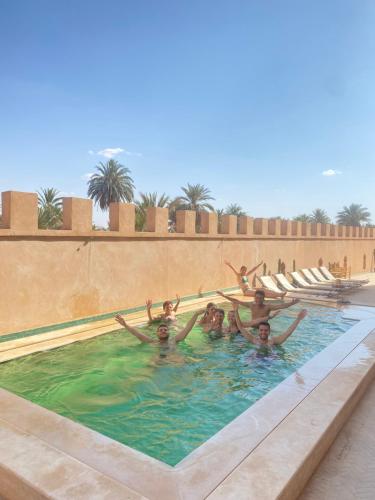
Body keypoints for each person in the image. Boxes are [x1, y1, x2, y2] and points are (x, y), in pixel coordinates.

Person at [115, 308, 205, 345]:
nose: (163, 331)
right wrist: (125, 325)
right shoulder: (153, 342)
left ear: (169, 332)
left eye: (165, 330)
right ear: (157, 333)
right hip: (158, 361)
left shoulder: (175, 340)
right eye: (161, 330)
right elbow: (137, 334)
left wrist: (196, 314)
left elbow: (187, 329)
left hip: (174, 360)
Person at [234, 306, 308, 346]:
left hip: (269, 362)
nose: (263, 332)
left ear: (269, 332)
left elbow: (288, 333)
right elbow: (240, 327)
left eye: (266, 330)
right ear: (258, 331)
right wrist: (236, 311)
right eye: (261, 330)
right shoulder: (254, 340)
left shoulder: (273, 342)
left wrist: (298, 319)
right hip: (255, 360)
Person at [217, 289, 300, 320]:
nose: (258, 299)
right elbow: (236, 301)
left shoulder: (268, 307)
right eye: (256, 297)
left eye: (260, 298)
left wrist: (292, 303)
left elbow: (281, 306)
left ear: (264, 299)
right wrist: (223, 295)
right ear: (254, 298)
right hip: (253, 328)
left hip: (263, 329)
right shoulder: (251, 305)